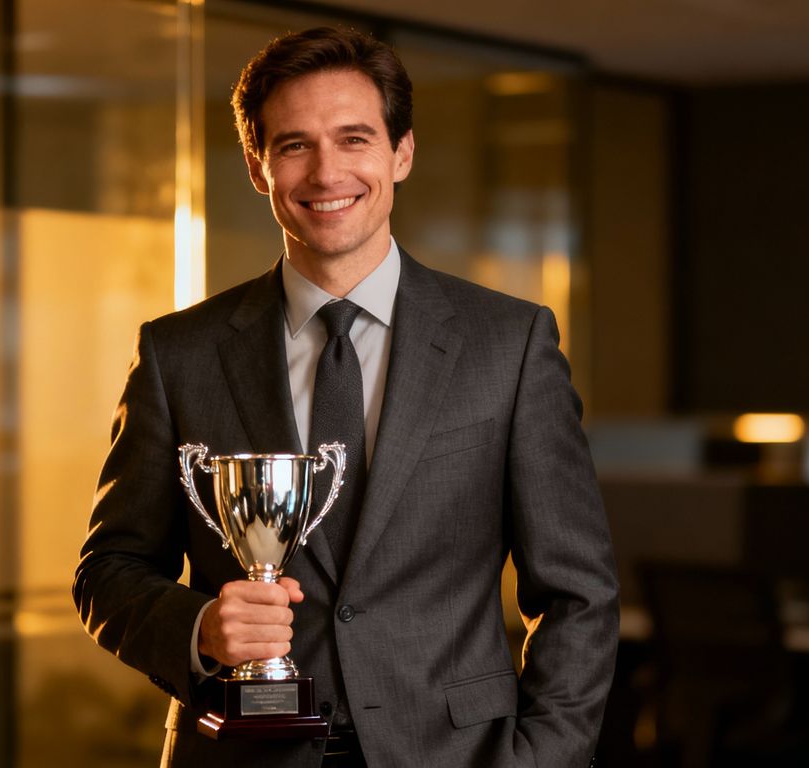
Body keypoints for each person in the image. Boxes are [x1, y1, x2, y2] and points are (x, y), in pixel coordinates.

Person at [74, 26, 618, 768]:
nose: (327, 172)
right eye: (294, 145)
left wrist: (542, 759)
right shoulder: (179, 354)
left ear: (402, 153)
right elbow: (108, 570)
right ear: (258, 167)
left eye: (354, 139)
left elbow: (578, 593)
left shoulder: (509, 345)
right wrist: (200, 629)